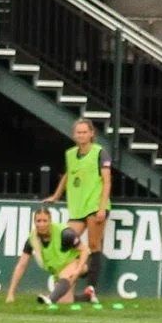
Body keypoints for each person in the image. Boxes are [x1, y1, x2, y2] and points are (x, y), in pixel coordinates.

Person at [45, 119, 111, 296]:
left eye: (84, 132)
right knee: (67, 242)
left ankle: (91, 288)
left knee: (93, 244)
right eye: (78, 132)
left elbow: (107, 181)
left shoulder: (100, 153)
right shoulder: (71, 154)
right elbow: (68, 175)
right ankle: (77, 274)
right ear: (74, 135)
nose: (81, 135)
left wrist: (102, 208)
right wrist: (56, 195)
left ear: (91, 134)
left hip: (94, 205)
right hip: (77, 207)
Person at [5, 206, 96, 304]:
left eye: (45, 221)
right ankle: (88, 296)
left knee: (64, 276)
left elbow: (85, 250)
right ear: (34, 222)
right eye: (38, 221)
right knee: (64, 301)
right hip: (60, 271)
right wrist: (11, 293)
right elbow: (21, 265)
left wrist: (78, 270)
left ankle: (50, 299)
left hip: (81, 263)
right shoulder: (33, 239)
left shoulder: (65, 233)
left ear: (50, 221)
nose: (41, 224)